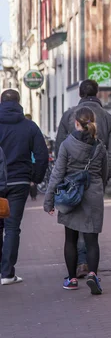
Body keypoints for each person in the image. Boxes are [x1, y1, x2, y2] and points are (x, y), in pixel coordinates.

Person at [55, 79, 111, 278]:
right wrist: (102, 176)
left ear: (80, 94)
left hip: (72, 181)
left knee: (72, 229)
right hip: (94, 181)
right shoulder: (108, 118)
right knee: (91, 227)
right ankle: (90, 270)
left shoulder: (68, 116)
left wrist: (64, 180)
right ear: (98, 94)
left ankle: (76, 270)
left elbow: (60, 151)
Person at [44, 106, 107, 294]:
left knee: (70, 239)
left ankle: (71, 279)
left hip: (70, 196)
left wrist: (48, 201)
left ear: (76, 123)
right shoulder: (100, 147)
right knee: (92, 239)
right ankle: (93, 274)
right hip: (93, 194)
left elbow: (57, 174)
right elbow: (102, 175)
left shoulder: (66, 144)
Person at [0, 89, 48, 284]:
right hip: (19, 181)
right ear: (19, 102)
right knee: (12, 227)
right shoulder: (29, 126)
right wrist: (34, 178)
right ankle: (7, 273)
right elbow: (42, 155)